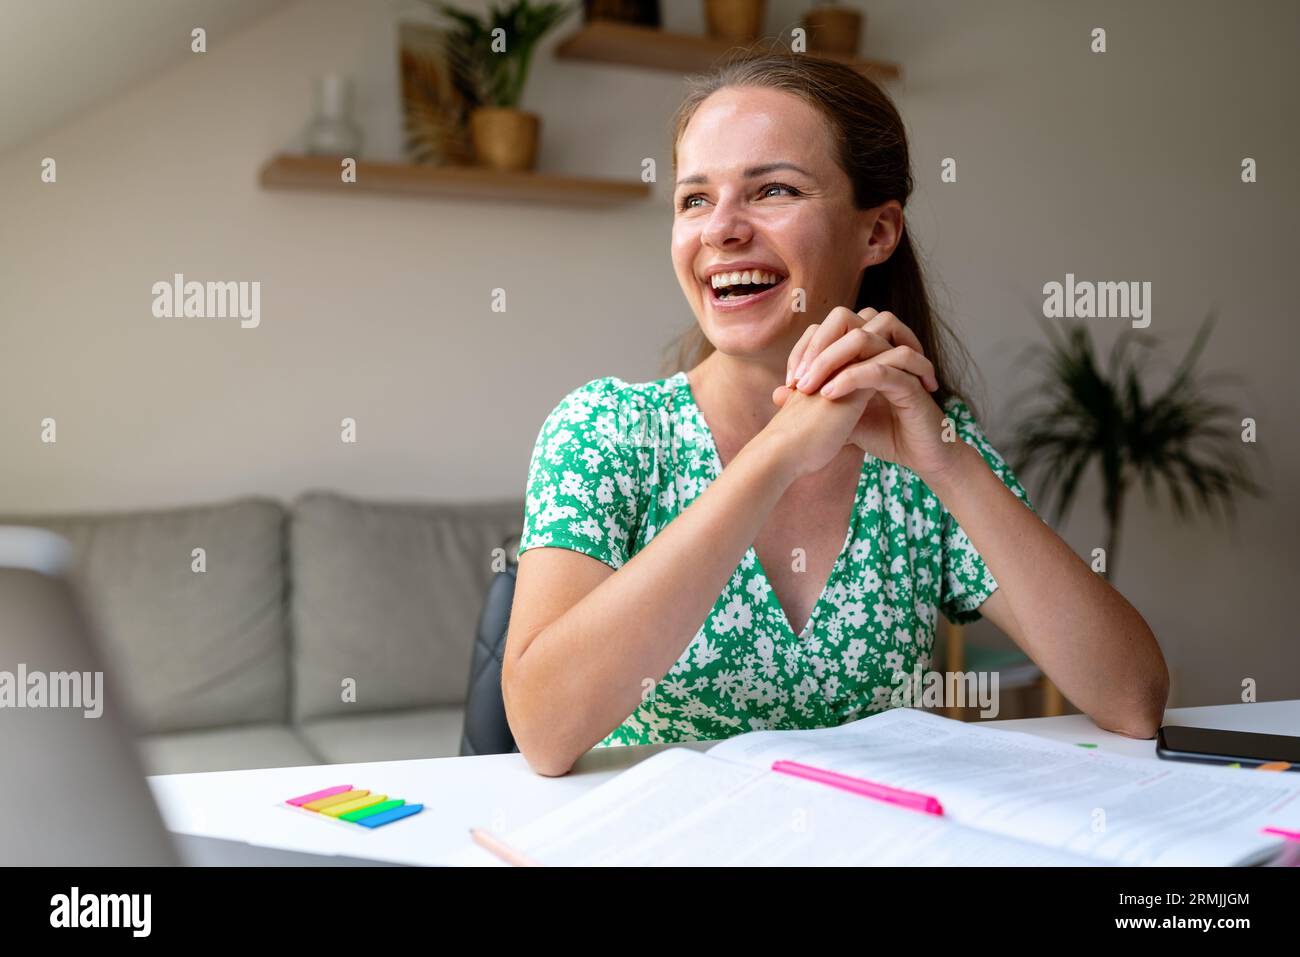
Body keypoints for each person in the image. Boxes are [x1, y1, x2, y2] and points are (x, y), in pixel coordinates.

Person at [502, 53, 1168, 777]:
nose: (720, 229)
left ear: (877, 233)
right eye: (695, 199)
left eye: (774, 189)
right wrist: (776, 454)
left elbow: (1133, 699)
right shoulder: (609, 431)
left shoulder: (927, 451)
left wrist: (947, 462)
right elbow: (543, 730)